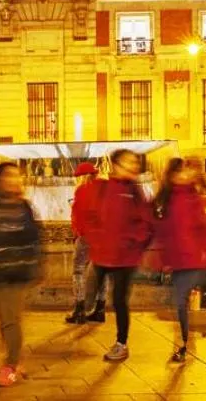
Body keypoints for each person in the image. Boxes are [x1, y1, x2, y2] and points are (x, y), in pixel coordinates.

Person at [0, 161, 41, 387]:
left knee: (11, 321)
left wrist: (34, 265)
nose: (12, 180)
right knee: (5, 322)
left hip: (16, 272)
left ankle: (10, 366)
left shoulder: (24, 208)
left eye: (16, 176)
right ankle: (16, 359)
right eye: (7, 176)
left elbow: (35, 240)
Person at [84, 148, 155, 362]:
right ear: (115, 166)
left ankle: (121, 344)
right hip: (103, 253)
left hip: (125, 257)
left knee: (119, 301)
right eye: (128, 162)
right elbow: (92, 215)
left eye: (134, 163)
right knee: (91, 285)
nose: (133, 167)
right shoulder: (103, 188)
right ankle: (87, 306)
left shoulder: (134, 191)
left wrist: (134, 243)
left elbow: (147, 223)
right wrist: (95, 238)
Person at [153, 158, 206, 362]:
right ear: (173, 176)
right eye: (181, 172)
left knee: (180, 301)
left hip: (192, 258)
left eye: (187, 172)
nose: (185, 175)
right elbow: (164, 231)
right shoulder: (167, 199)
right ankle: (185, 340)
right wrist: (163, 259)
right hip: (177, 259)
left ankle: (182, 344)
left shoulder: (193, 198)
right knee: (180, 303)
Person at [63, 162, 105, 324]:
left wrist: (78, 233)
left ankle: (79, 310)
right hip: (104, 237)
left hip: (87, 236)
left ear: (83, 177)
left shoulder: (82, 190)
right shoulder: (104, 189)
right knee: (102, 272)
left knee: (78, 271)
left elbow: (79, 216)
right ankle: (100, 309)